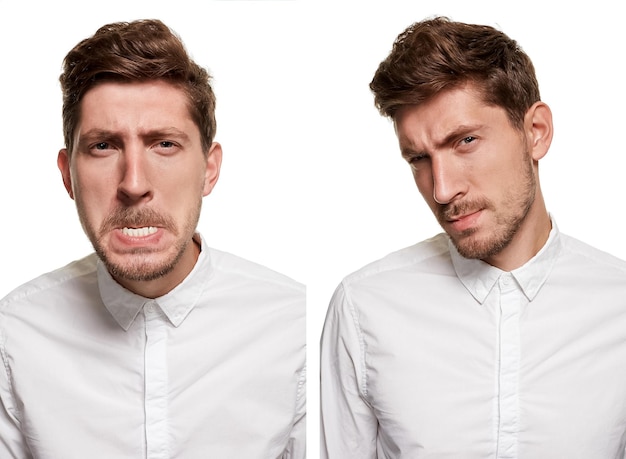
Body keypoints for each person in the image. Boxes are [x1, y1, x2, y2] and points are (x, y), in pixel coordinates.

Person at [320, 16, 626, 458]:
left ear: (535, 132)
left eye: (464, 141)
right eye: (418, 159)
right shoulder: (364, 309)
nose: (442, 189)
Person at [0, 19, 305, 458]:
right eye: (104, 146)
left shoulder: (293, 328)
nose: (134, 183)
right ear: (68, 175)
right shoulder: (14, 339)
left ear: (210, 168)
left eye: (163, 144)